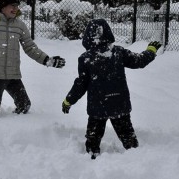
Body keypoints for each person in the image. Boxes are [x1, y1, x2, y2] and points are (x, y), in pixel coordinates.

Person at [61, 19, 161, 159]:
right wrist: (151, 51)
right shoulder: (118, 52)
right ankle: (136, 158)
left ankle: (92, 156)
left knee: (93, 137)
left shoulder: (85, 58)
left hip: (98, 107)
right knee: (127, 136)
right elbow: (139, 61)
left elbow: (81, 84)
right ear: (108, 34)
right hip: (119, 104)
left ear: (88, 37)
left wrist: (68, 100)